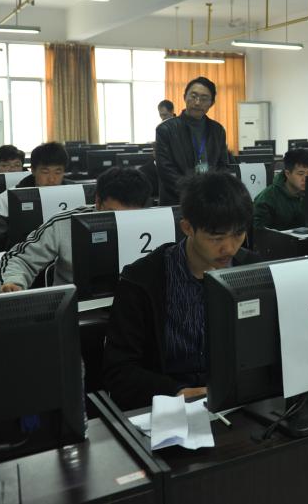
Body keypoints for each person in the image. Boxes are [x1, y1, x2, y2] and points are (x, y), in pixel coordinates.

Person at [103, 172, 256, 410]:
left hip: (238, 402)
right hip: (169, 406)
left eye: (238, 234)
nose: (229, 248)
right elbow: (119, 371)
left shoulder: (253, 271)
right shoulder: (142, 280)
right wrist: (175, 392)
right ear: (187, 228)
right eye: (216, 238)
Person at [0, 167, 151, 292]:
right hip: (77, 310)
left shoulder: (154, 222)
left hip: (135, 308)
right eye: (113, 214)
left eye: (129, 216)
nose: (121, 223)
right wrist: (12, 282)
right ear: (98, 202)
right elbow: (20, 259)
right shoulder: (65, 223)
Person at [155, 77, 231, 205]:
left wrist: (214, 191)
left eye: (204, 98)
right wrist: (194, 194)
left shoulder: (217, 130)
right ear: (185, 97)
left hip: (210, 201)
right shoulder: (165, 129)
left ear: (212, 103)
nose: (197, 102)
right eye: (193, 96)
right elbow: (165, 170)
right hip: (177, 200)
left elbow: (223, 166)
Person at [0, 142, 71, 251]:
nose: (52, 179)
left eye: (58, 172)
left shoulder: (78, 194)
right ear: (33, 170)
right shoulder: (6, 199)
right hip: (20, 257)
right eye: (45, 172)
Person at [253, 148, 308, 230]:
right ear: (287, 174)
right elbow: (259, 232)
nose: (306, 178)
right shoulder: (267, 198)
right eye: (300, 174)